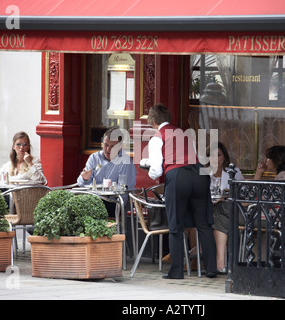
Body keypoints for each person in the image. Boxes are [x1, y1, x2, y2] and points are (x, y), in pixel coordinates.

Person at [145, 103, 217, 279]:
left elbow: (157, 171)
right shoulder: (184, 133)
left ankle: (176, 271)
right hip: (199, 174)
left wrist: (147, 166)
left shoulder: (157, 137)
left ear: (153, 122)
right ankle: (212, 269)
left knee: (175, 225)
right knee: (204, 225)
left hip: (178, 176)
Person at [77, 126, 136, 218]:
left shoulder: (125, 161)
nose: (108, 150)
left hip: (114, 202)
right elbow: (81, 184)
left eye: (112, 146)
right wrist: (85, 179)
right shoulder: (94, 157)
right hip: (92, 200)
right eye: (106, 145)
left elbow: (123, 191)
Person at [207, 142, 244, 274]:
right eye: (212, 155)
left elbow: (243, 193)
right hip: (211, 210)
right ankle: (220, 264)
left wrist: (229, 194)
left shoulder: (233, 172)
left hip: (231, 210)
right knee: (219, 217)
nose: (215, 158)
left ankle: (199, 250)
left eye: (218, 155)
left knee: (221, 210)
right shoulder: (204, 173)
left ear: (224, 157)